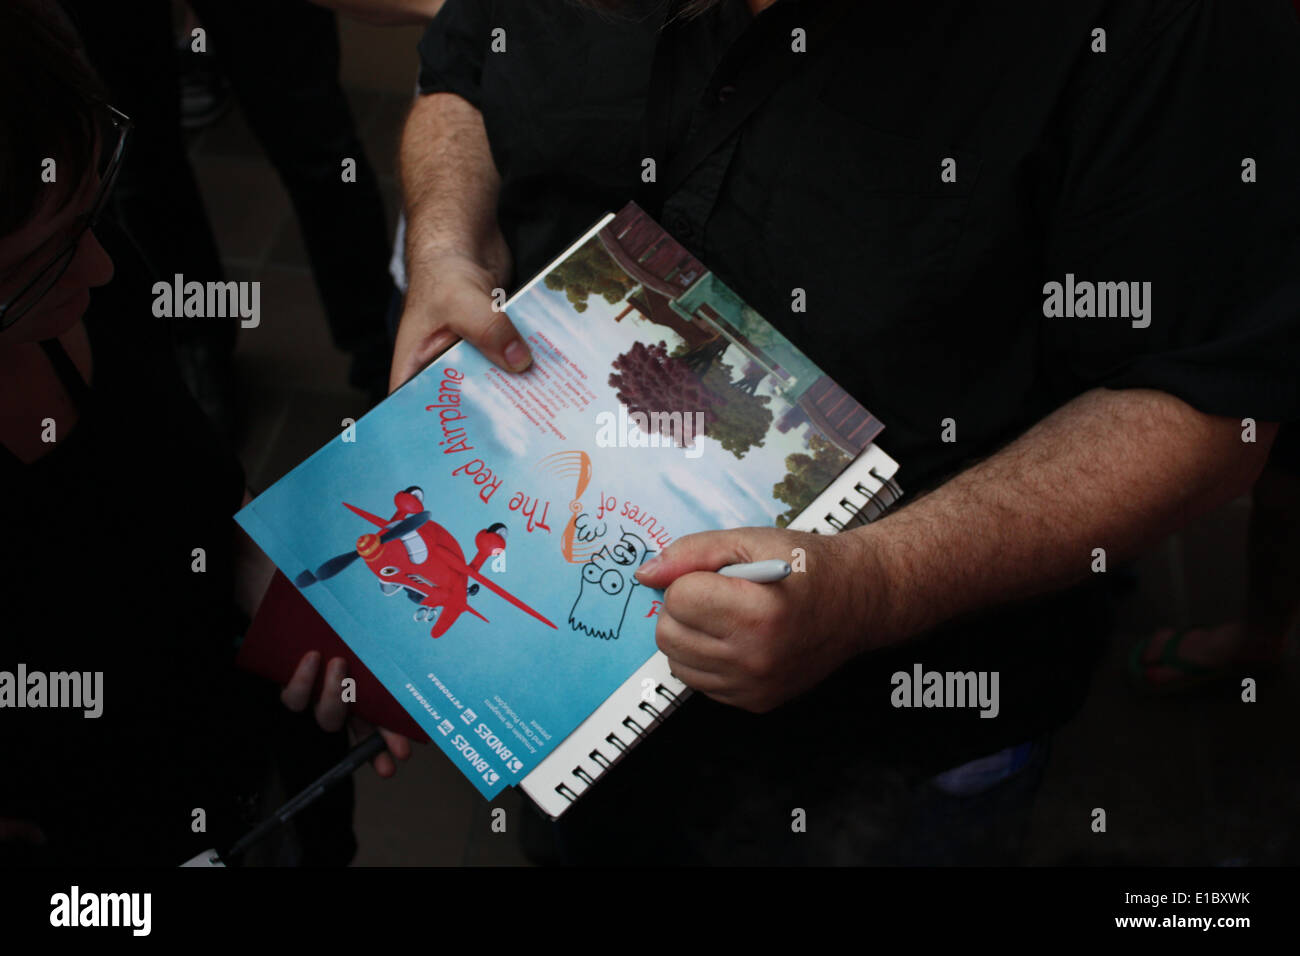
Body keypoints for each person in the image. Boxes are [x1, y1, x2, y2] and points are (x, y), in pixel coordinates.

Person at [393, 0, 1300, 864]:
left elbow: (1208, 405)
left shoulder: (1166, 29)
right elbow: (463, 71)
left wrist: (876, 583)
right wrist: (445, 243)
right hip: (573, 686)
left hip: (889, 732)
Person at [0, 1, 366, 866]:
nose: (97, 266)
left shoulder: (99, 274)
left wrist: (264, 570)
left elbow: (188, 492)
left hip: (258, 778)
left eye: (92, 204)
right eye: (32, 266)